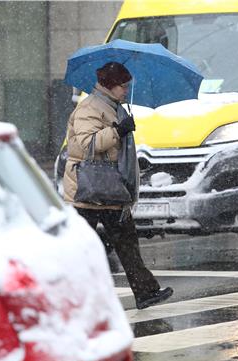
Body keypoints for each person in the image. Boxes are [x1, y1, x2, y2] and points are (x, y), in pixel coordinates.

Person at [63, 62, 173, 310]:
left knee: (127, 242)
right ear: (109, 86)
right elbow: (89, 143)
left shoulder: (113, 107)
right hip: (88, 190)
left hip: (109, 188)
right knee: (81, 250)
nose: (126, 91)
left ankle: (146, 292)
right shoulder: (89, 108)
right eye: (123, 86)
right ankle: (69, 298)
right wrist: (118, 131)